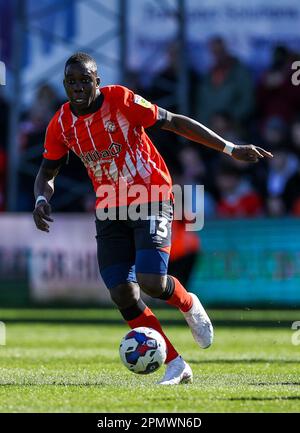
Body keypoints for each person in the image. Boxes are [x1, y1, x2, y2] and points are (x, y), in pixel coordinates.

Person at [33, 52, 273, 385]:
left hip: (151, 196)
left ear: (96, 81)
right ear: (64, 85)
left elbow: (173, 121)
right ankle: (176, 364)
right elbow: (47, 170)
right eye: (71, 82)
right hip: (109, 208)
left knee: (151, 283)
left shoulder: (120, 99)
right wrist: (42, 198)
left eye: (84, 80)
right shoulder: (60, 124)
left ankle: (188, 303)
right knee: (121, 292)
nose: (78, 87)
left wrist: (229, 148)